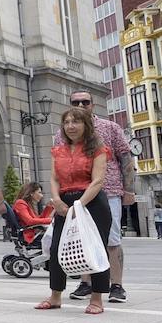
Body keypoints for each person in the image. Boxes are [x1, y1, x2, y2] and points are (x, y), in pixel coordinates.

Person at [37, 106, 113, 315]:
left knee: (96, 248)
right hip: (64, 202)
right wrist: (56, 201)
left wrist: (78, 206)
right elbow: (53, 178)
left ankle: (97, 298)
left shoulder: (97, 148)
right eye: (67, 122)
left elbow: (98, 181)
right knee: (56, 249)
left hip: (92, 202)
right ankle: (55, 296)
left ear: (86, 125)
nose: (70, 126)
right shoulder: (58, 150)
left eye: (76, 122)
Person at [66, 90, 135, 303]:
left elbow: (126, 159)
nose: (80, 105)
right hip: (78, 192)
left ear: (92, 105)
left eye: (84, 102)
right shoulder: (64, 131)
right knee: (81, 238)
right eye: (75, 102)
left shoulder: (110, 128)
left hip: (109, 189)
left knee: (112, 238)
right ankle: (86, 282)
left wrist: (130, 190)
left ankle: (117, 285)